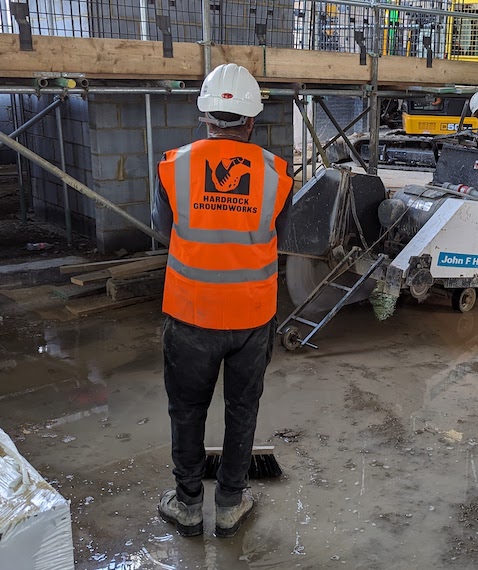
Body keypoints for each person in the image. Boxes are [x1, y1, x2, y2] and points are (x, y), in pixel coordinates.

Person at [152, 63, 293, 538]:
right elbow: (281, 235)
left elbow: (162, 228)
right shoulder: (276, 174)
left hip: (190, 314)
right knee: (242, 409)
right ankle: (231, 504)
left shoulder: (174, 167)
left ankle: (188, 505)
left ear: (204, 116)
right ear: (251, 121)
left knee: (186, 411)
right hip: (252, 318)